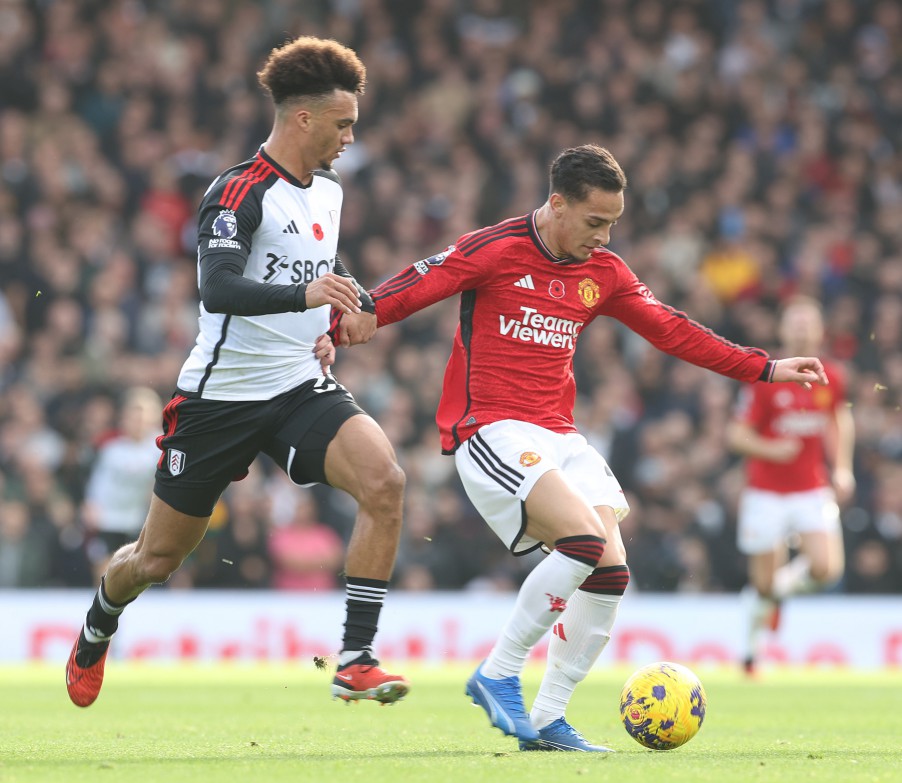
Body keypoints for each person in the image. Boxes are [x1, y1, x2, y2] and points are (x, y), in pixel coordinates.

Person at [336, 144, 827, 752]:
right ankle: (498, 673)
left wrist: (766, 367)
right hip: (491, 428)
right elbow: (418, 283)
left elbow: (672, 329)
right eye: (595, 222)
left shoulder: (606, 274)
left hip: (559, 434)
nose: (604, 236)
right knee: (584, 540)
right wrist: (357, 318)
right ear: (558, 204)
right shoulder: (496, 248)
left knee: (612, 571)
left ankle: (547, 719)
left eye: (613, 224)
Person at [65, 36, 409, 709]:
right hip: (218, 398)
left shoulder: (330, 192)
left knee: (386, 481)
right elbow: (219, 289)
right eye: (344, 123)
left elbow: (314, 267)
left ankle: (356, 656)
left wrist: (344, 301)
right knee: (156, 560)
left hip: (297, 386)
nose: (350, 137)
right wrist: (307, 298)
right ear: (304, 118)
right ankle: (99, 620)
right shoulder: (236, 192)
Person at [727, 296, 854, 675]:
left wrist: (842, 467)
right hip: (765, 492)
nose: (800, 328)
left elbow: (838, 421)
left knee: (826, 569)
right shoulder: (766, 376)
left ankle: (780, 593)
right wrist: (771, 448)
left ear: (819, 330)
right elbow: (736, 434)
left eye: (807, 322)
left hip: (811, 488)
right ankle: (750, 654)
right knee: (762, 585)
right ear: (782, 329)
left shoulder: (832, 376)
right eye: (794, 321)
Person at [82, 387, 163, 585]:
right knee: (104, 571)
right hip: (108, 519)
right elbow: (97, 481)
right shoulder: (111, 448)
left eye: (143, 415)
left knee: (138, 572)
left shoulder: (159, 448)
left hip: (138, 521)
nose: (138, 421)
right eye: (134, 416)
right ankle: (102, 611)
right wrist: (90, 504)